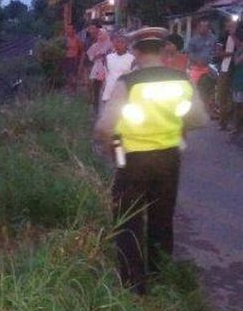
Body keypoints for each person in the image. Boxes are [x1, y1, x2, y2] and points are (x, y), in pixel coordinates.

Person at [93, 27, 209, 294]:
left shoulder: (129, 83)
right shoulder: (182, 80)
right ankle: (160, 275)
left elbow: (105, 127)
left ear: (135, 51)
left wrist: (109, 146)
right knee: (162, 218)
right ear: (162, 50)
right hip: (169, 159)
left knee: (128, 219)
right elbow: (199, 119)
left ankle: (134, 285)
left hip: (132, 161)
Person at [187, 19, 217, 117]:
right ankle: (196, 110)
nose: (204, 29)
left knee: (211, 89)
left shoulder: (213, 38)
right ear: (198, 28)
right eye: (202, 26)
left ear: (209, 28)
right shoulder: (193, 40)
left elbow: (215, 50)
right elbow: (189, 53)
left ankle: (211, 110)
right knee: (196, 89)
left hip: (210, 67)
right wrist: (196, 60)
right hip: (196, 68)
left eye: (206, 27)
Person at [217, 19, 239, 132]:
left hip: (237, 70)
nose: (231, 27)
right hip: (225, 69)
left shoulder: (239, 35)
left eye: (233, 25)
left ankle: (233, 123)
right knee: (222, 96)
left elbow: (240, 47)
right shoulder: (222, 37)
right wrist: (232, 53)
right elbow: (219, 53)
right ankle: (222, 122)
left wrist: (234, 35)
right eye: (229, 25)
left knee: (235, 98)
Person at [101, 33, 135, 106]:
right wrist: (104, 88)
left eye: (122, 42)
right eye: (117, 42)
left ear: (127, 45)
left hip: (124, 92)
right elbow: (106, 74)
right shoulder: (108, 58)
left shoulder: (132, 59)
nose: (119, 44)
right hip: (109, 91)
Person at [86, 28, 113, 114]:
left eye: (102, 34)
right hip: (98, 68)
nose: (100, 36)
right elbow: (90, 57)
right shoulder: (95, 46)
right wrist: (97, 56)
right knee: (96, 89)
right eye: (99, 34)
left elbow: (113, 55)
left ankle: (108, 109)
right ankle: (96, 110)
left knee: (107, 89)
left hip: (108, 69)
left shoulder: (110, 45)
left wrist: (105, 56)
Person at [228, 26, 243, 135]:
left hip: (241, 82)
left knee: (239, 106)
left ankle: (237, 128)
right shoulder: (239, 49)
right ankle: (236, 127)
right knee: (236, 105)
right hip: (237, 80)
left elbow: (237, 62)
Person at [62, 24, 84, 93]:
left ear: (73, 30)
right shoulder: (66, 39)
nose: (68, 30)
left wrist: (81, 62)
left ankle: (74, 91)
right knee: (68, 76)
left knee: (73, 76)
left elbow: (82, 50)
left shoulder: (77, 39)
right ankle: (69, 90)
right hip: (67, 59)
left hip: (74, 59)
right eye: (67, 29)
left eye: (70, 29)